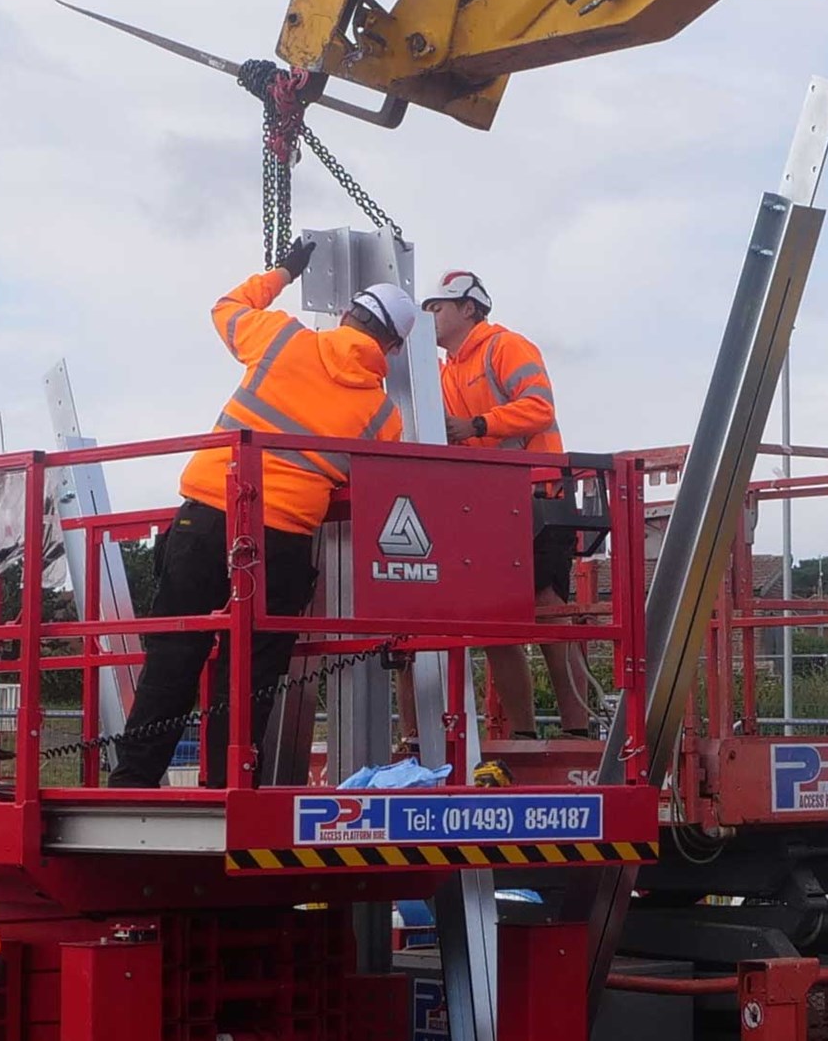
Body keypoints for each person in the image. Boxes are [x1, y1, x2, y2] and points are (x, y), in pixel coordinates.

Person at [104, 252, 406, 788]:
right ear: (393, 348)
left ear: (345, 317)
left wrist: (283, 272)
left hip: (208, 511)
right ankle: (230, 786)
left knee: (174, 653)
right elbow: (364, 486)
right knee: (252, 671)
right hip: (285, 536)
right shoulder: (384, 416)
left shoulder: (284, 339)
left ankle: (133, 780)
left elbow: (227, 307)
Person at [422, 267, 605, 741]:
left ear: (469, 308)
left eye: (437, 307)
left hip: (538, 497)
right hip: (491, 504)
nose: (431, 316)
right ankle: (524, 734)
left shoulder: (506, 347)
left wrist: (477, 425)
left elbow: (539, 406)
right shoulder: (446, 371)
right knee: (496, 619)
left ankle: (577, 729)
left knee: (545, 609)